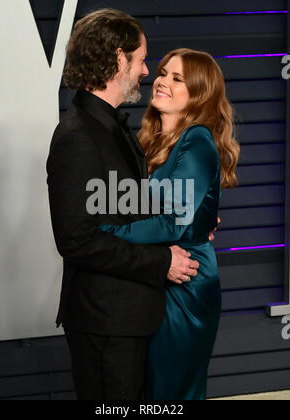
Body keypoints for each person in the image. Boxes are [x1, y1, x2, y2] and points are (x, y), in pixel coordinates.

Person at [46, 10, 203, 401]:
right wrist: (161, 262)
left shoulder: (112, 126)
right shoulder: (77, 136)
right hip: (106, 322)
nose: (146, 72)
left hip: (129, 317)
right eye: (140, 60)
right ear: (119, 60)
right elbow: (79, 241)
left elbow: (129, 206)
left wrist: (187, 221)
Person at [99, 48, 240, 400]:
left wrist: (111, 233)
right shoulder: (147, 141)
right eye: (163, 72)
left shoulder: (196, 139)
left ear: (200, 93)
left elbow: (173, 222)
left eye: (178, 79)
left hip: (185, 281)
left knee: (169, 391)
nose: (161, 81)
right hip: (153, 273)